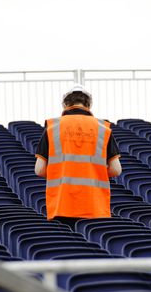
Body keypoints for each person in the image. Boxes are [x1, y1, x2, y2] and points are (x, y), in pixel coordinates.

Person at [35, 84, 122, 229]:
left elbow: (39, 169)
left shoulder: (53, 127)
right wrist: (93, 173)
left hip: (62, 205)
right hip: (94, 204)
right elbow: (116, 170)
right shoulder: (103, 128)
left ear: (65, 104)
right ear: (89, 104)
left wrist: (63, 173)